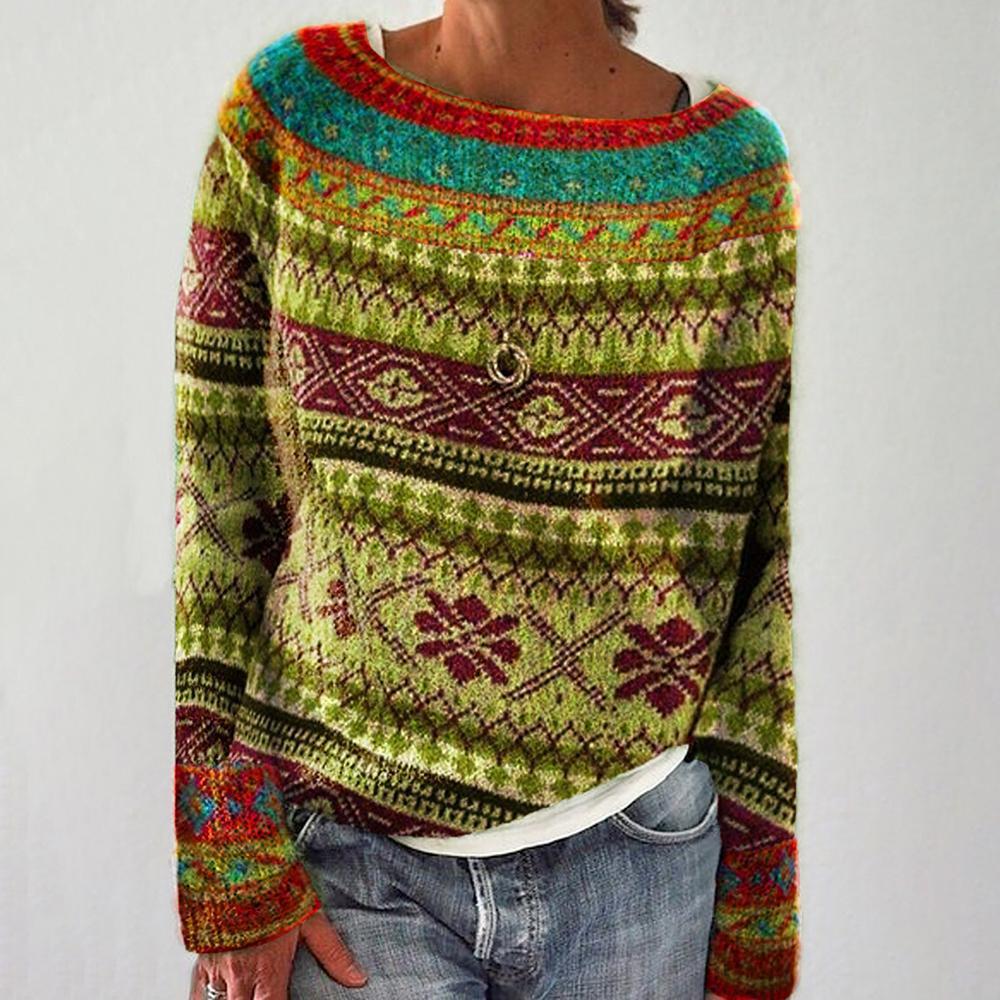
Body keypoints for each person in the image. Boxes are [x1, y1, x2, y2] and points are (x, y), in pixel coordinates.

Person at [172, 2, 801, 998]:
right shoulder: (298, 114)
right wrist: (227, 847)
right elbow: (220, 493)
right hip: (350, 865)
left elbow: (764, 564)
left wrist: (759, 897)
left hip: (639, 866)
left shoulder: (726, 176)